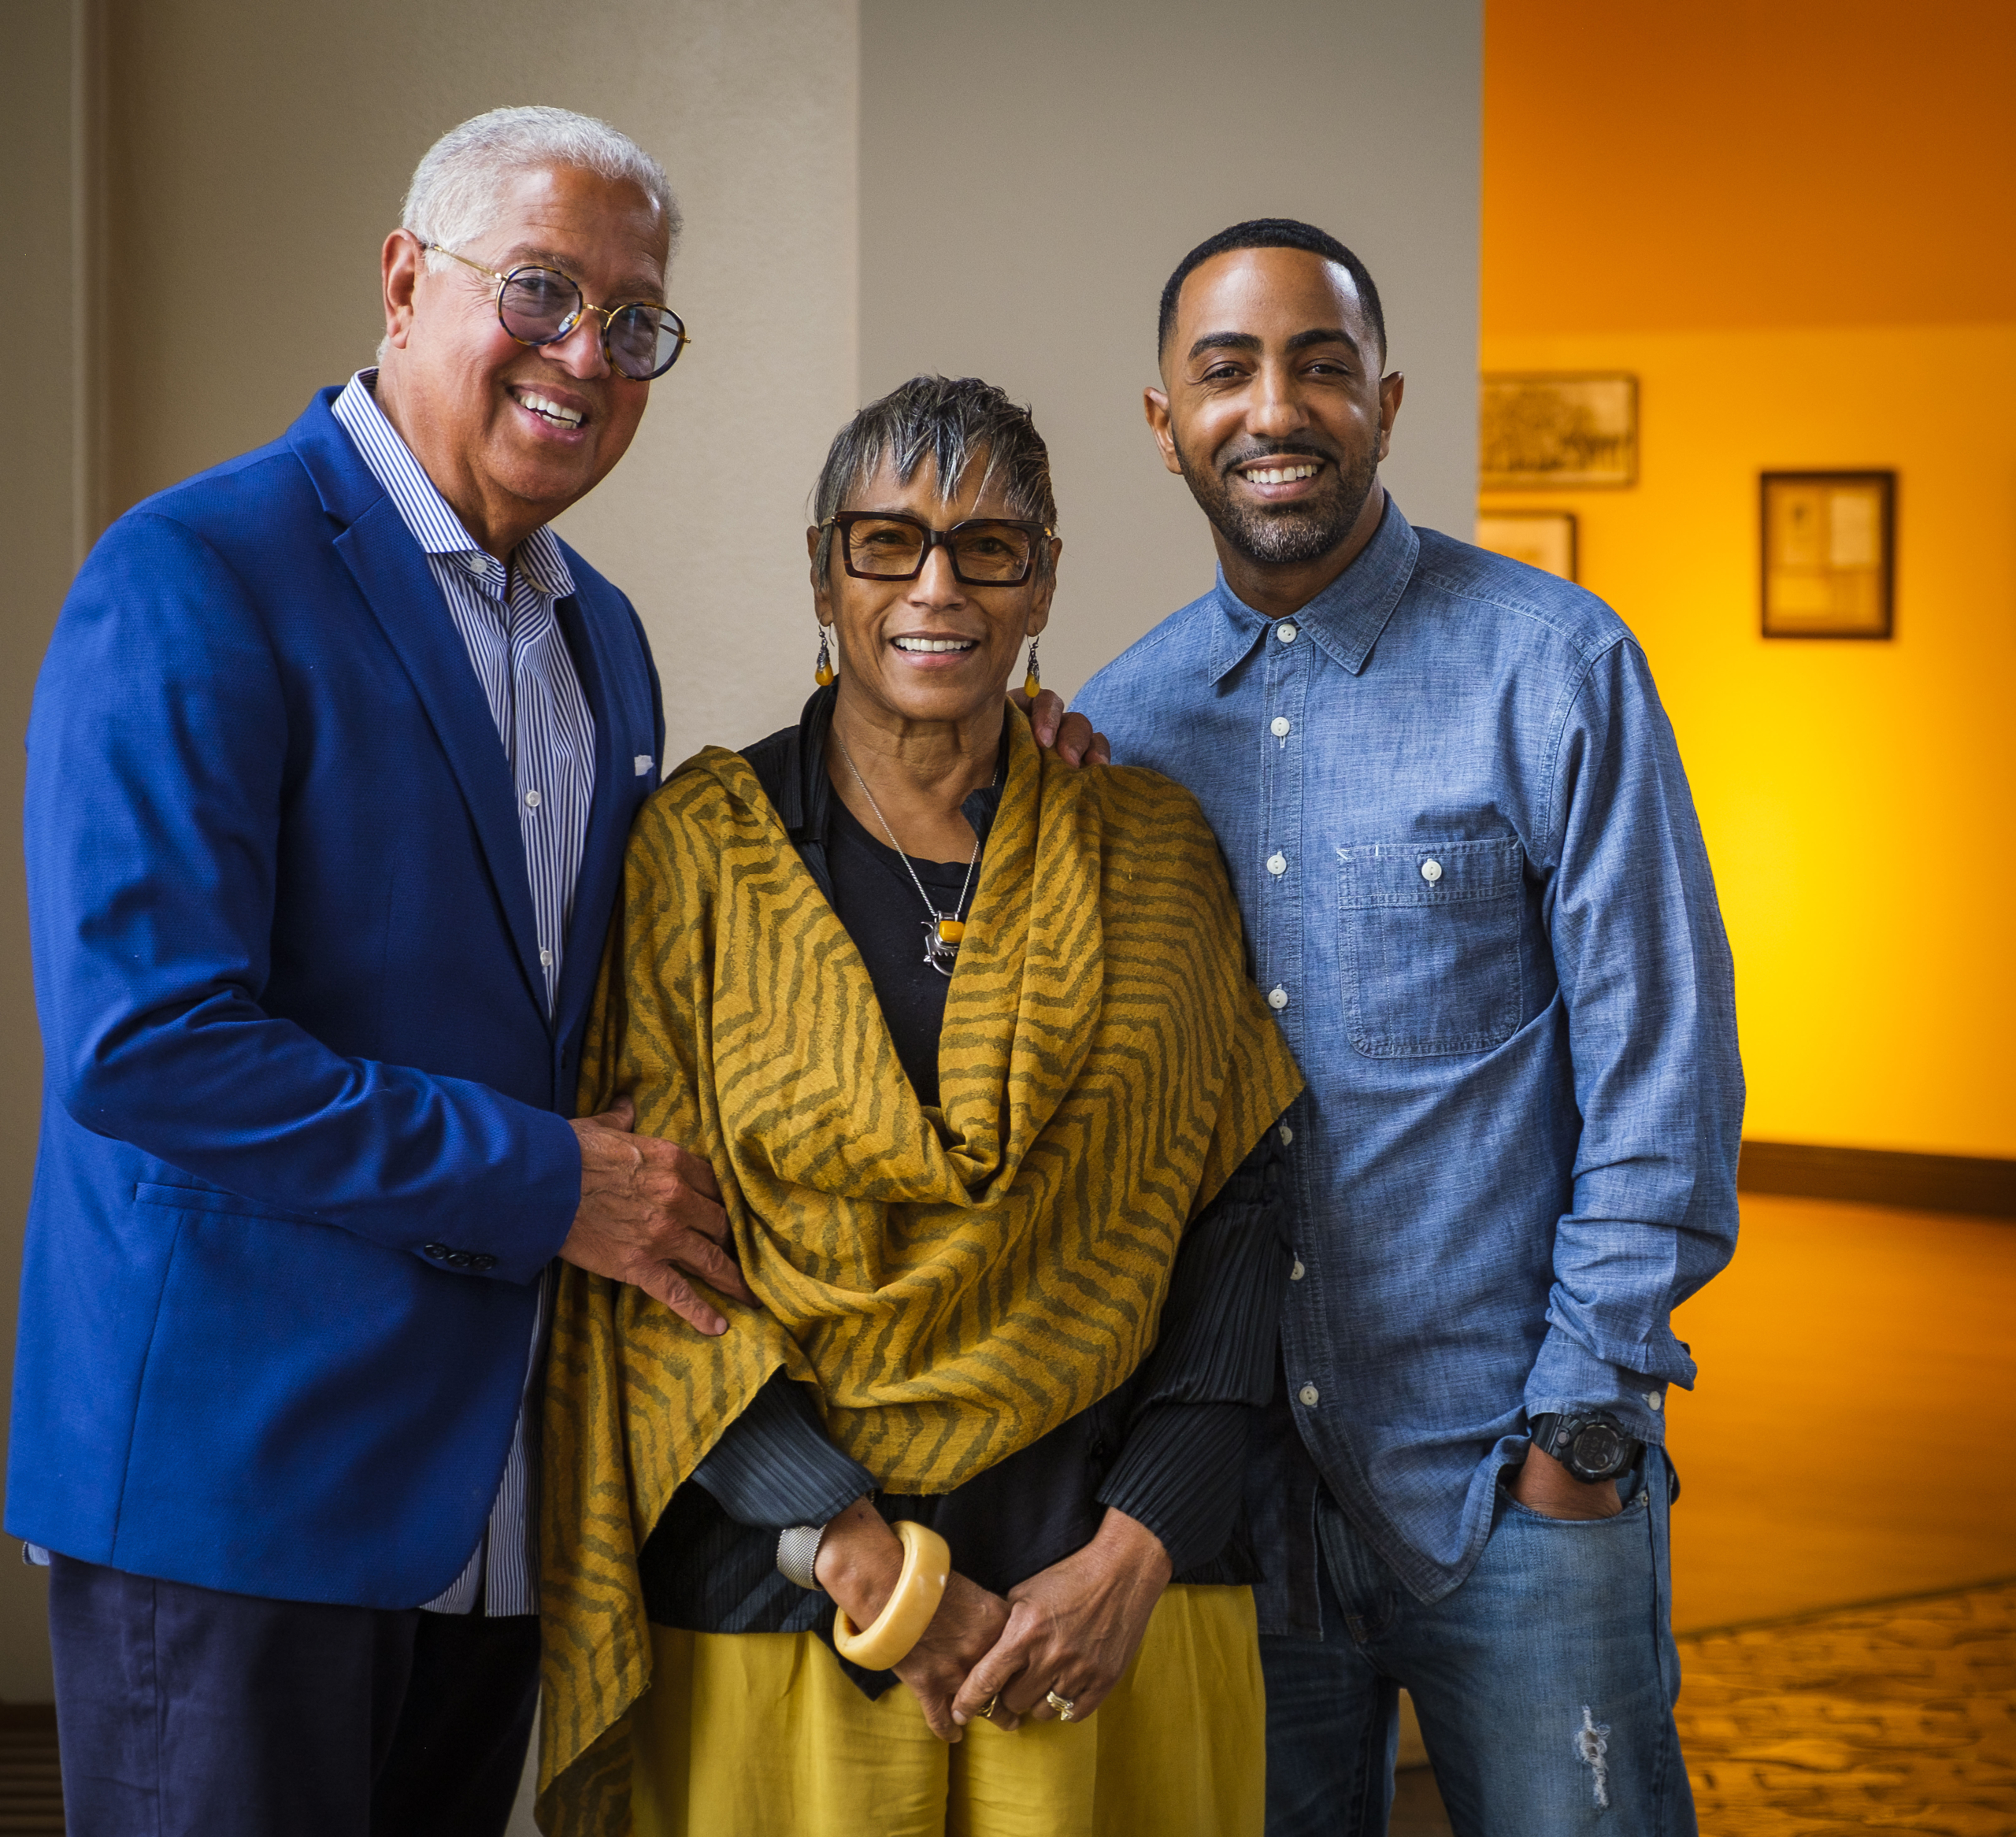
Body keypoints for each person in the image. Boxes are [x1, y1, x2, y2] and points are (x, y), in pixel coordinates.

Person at [7, 103, 1105, 1836]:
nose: (584, 355)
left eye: (633, 322)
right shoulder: (194, 575)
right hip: (241, 1491)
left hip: (501, 1502)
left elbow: (629, 992)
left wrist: (997, 745)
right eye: (538, 292)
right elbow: (150, 1046)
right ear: (402, 281)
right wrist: (549, 1186)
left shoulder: (600, 631)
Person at [534, 376, 1305, 1837]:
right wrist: (851, 1546)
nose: (936, 584)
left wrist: (1144, 1541)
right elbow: (646, 1242)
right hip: (779, 1584)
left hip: (1108, 1596)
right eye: (887, 543)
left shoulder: (1149, 849)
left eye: (988, 546)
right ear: (825, 573)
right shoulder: (701, 854)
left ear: (1045, 581)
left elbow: (1238, 1205)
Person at [1071, 220, 1743, 1837]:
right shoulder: (1122, 726)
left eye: (1315, 363)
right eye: (1222, 370)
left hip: (1515, 1486)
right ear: (1161, 422)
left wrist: (1580, 1432)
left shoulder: (1554, 666)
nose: (1272, 405)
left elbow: (1664, 1069)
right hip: (1237, 1510)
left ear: (1380, 397)